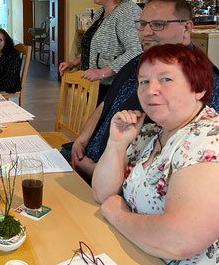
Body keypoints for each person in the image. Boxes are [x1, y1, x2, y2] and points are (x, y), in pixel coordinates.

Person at [70, 0, 219, 181]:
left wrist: (95, 169)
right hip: (87, 162)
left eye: (158, 24)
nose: (147, 32)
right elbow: (107, 104)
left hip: (115, 184)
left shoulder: (201, 82)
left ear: (187, 28)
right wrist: (81, 141)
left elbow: (167, 167)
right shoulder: (137, 62)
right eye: (142, 25)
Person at [92, 44, 219, 264]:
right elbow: (102, 194)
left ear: (198, 88)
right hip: (134, 251)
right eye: (144, 81)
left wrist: (117, 215)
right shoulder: (150, 132)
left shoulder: (208, 140)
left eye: (166, 79)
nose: (150, 90)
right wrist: (116, 143)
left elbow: (179, 240)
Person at [58, 0, 142, 102]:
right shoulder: (100, 13)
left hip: (115, 87)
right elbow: (93, 46)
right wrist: (74, 62)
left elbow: (136, 51)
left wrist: (103, 72)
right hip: (97, 85)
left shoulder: (127, 11)